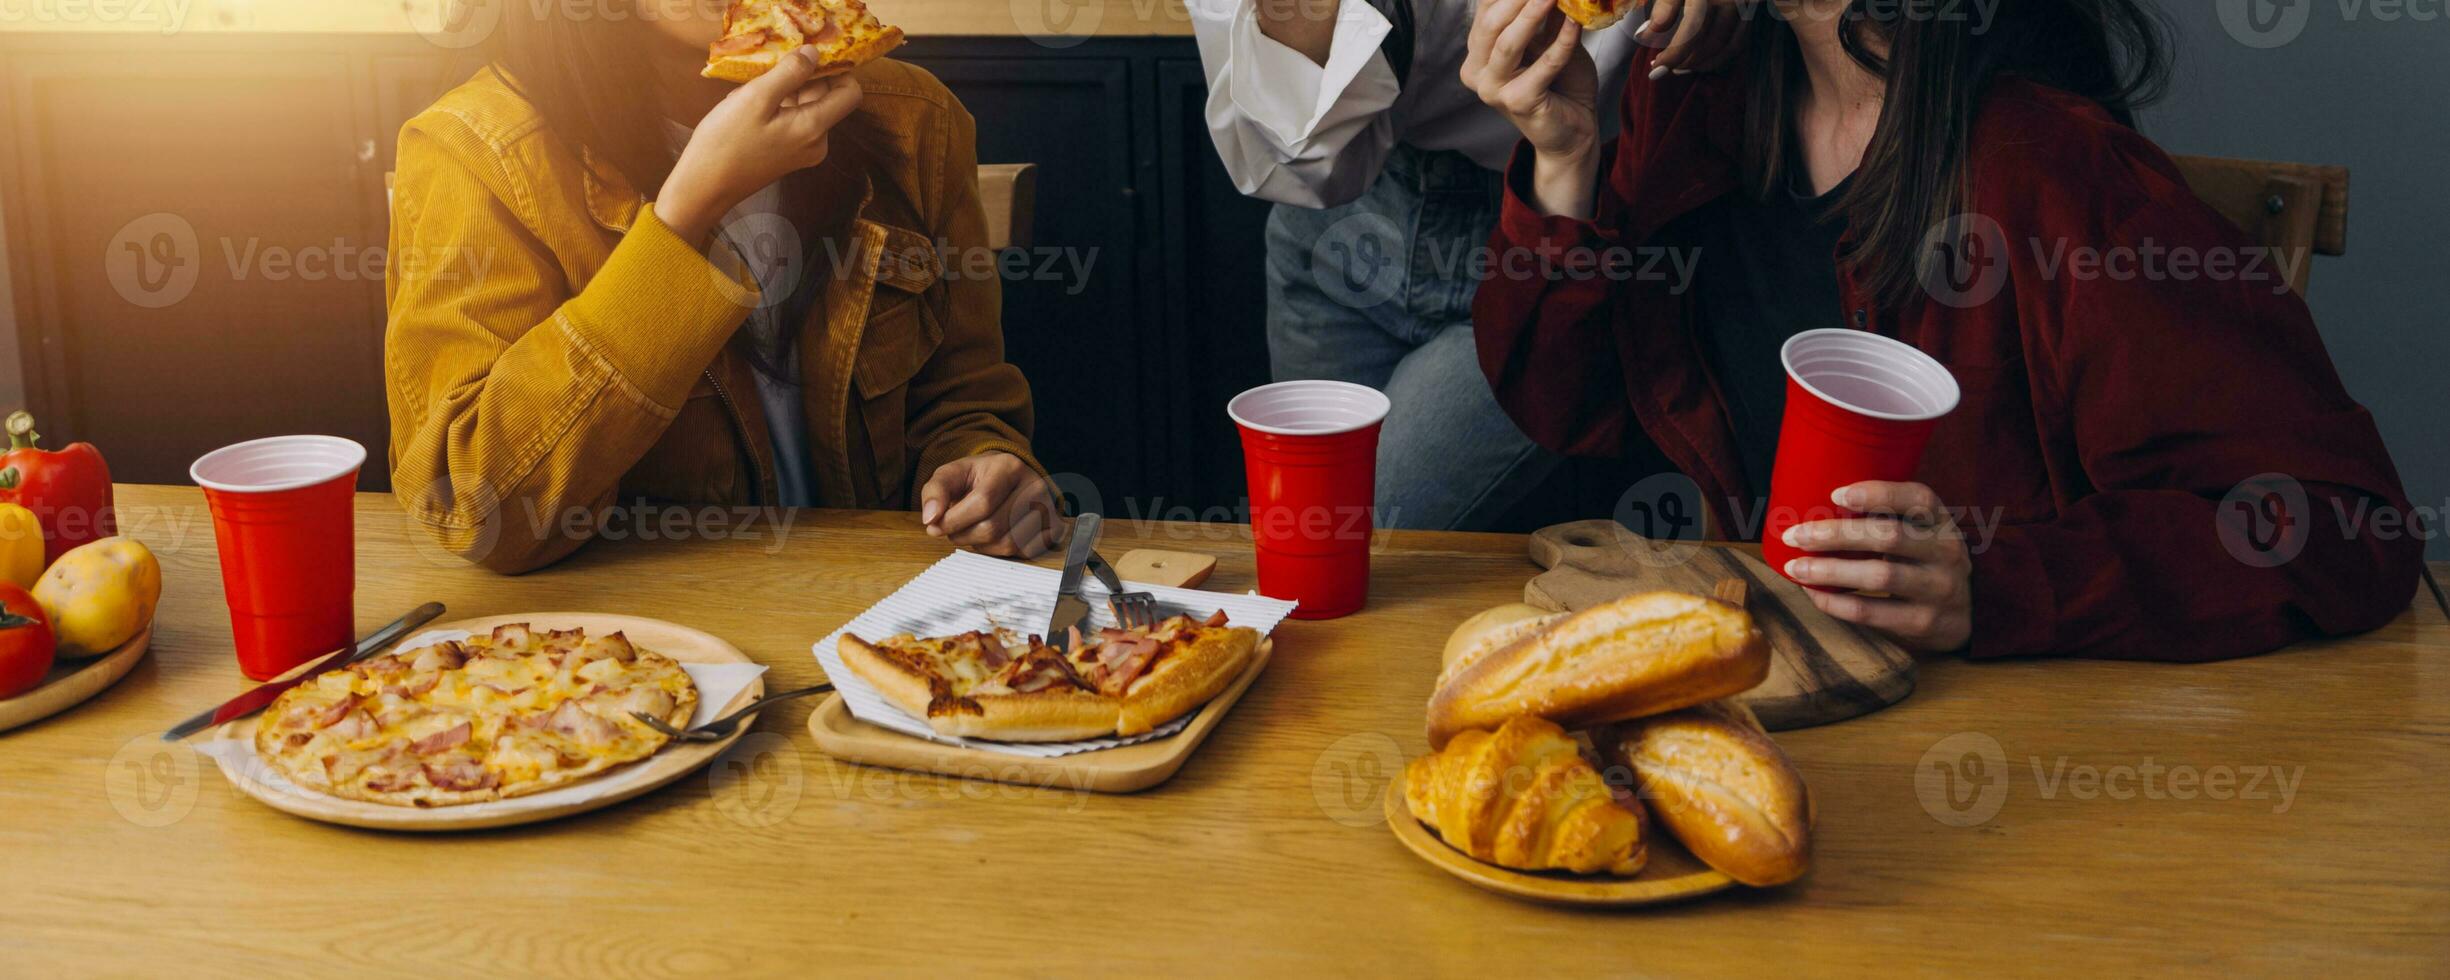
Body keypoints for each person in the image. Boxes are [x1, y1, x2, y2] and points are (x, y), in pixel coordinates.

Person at [1468, 0, 2424, 660]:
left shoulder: (2051, 173)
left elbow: (2346, 523)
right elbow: (1572, 411)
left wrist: (1992, 588)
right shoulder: (1697, 97)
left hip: (2016, 770)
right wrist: (1564, 161)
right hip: (1793, 693)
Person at [385, 4, 1061, 573]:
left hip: (883, 609)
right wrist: (684, 215)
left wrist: (986, 462)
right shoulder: (471, 151)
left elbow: (964, 398)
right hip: (636, 645)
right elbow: (478, 511)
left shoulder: (917, 117)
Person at [1192, 0, 1734, 530]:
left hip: (1553, 217)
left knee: (1355, 533)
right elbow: (1292, 153)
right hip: (1342, 227)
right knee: (1306, 531)